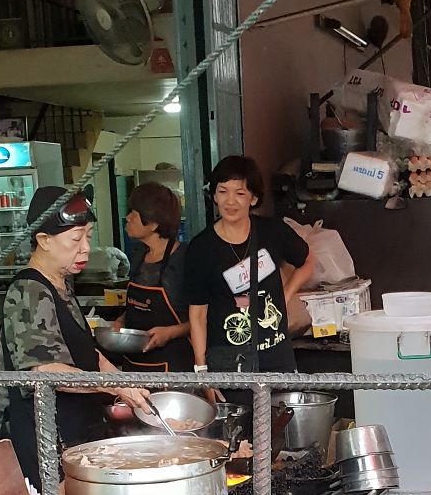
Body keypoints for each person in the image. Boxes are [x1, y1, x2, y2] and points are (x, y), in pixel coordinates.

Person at [0, 186, 150, 493]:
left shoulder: (61, 284)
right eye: (75, 239)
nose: (85, 248)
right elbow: (44, 372)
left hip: (77, 430)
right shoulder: (29, 291)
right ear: (43, 241)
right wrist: (117, 386)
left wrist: (128, 383)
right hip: (47, 438)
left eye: (89, 236)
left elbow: (87, 354)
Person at [183, 155, 313, 389]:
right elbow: (198, 314)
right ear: (214, 195)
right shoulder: (201, 248)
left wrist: (285, 294)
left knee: (284, 423)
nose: (230, 201)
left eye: (240, 193)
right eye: (223, 191)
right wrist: (203, 374)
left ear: (253, 198)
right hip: (228, 364)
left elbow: (307, 260)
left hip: (277, 358)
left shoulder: (272, 231)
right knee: (238, 425)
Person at [116, 182, 193, 372]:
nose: (127, 218)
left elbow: (206, 317)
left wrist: (170, 332)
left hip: (173, 367)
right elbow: (137, 307)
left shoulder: (186, 259)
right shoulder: (138, 255)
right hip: (134, 364)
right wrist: (121, 321)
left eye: (133, 213)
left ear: (152, 223)